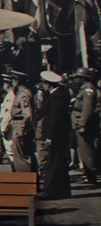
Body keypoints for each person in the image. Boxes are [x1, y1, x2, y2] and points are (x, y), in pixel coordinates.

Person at [35, 70, 72, 199]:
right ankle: (64, 191)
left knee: (54, 162)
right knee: (60, 162)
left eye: (43, 83)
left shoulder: (57, 96)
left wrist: (50, 136)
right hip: (58, 133)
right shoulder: (58, 94)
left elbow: (56, 117)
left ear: (48, 84)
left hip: (56, 134)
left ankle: (50, 191)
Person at [0, 70, 36, 173]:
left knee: (20, 158)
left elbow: (28, 114)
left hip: (19, 126)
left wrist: (21, 129)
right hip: (18, 125)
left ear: (18, 81)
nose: (12, 83)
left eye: (13, 80)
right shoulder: (21, 93)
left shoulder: (23, 94)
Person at [70, 68, 98, 186]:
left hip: (83, 125)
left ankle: (92, 177)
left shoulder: (88, 90)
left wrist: (82, 125)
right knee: (83, 151)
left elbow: (87, 109)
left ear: (83, 78)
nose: (76, 80)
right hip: (78, 123)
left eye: (77, 77)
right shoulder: (83, 90)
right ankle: (89, 175)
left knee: (87, 151)